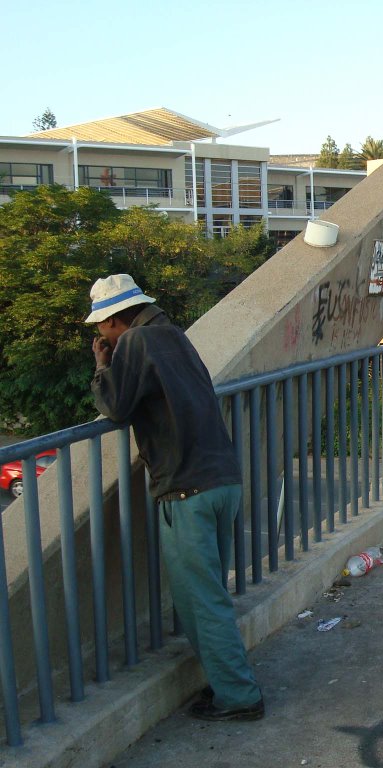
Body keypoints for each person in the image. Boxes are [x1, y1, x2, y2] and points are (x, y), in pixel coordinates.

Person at [87, 273, 263, 722]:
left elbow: (114, 407)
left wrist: (102, 366)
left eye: (100, 327)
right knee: (201, 598)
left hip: (187, 489)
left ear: (116, 320)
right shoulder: (177, 337)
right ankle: (225, 685)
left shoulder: (135, 344)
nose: (98, 335)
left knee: (202, 602)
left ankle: (240, 697)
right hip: (222, 479)